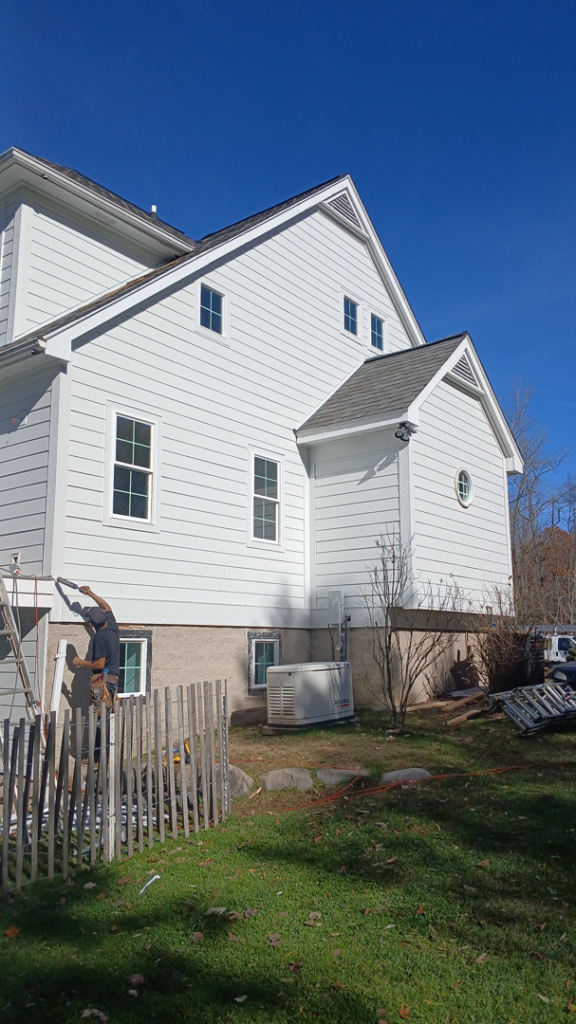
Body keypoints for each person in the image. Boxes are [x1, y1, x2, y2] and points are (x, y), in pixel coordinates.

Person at [72, 586, 120, 710]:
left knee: (101, 715)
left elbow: (99, 665)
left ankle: (102, 729)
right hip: (113, 678)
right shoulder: (112, 625)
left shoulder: (100, 638)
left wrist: (80, 662)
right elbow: (106, 607)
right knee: (108, 712)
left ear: (90, 624)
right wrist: (90, 593)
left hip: (103, 681)